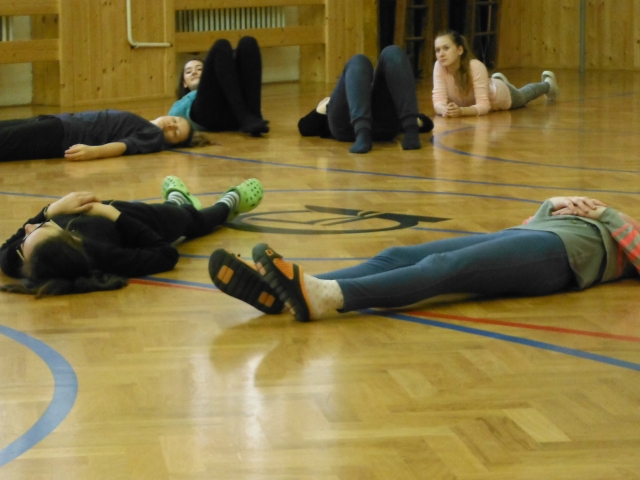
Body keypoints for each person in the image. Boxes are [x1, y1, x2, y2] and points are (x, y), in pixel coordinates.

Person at [209, 196, 640, 322]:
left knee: (443, 270)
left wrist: (606, 214)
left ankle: (331, 297)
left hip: (557, 257)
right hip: (529, 235)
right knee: (397, 254)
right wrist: (553, 204)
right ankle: (283, 292)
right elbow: (529, 222)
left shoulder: (619, 222)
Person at [0, 177, 264, 297]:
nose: (28, 227)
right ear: (73, 241)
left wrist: (50, 211)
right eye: (41, 228)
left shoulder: (20, 258)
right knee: (191, 219)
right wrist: (113, 215)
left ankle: (176, 199)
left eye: (23, 242)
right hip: (133, 219)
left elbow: (5, 248)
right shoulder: (101, 255)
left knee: (176, 208)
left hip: (109, 208)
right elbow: (166, 254)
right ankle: (231, 202)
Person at [297, 45, 434, 154]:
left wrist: (325, 105)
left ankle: (363, 134)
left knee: (374, 57)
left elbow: (305, 127)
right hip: (377, 129)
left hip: (352, 128)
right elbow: (305, 128)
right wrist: (410, 121)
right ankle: (410, 132)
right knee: (366, 59)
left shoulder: (378, 96)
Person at [432, 30, 560, 117]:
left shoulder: (475, 66)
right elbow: (438, 100)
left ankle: (548, 84)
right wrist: (444, 109)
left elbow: (484, 106)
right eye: (437, 50)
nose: (441, 54)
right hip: (488, 88)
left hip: (501, 96)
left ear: (460, 50)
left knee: (524, 95)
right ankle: (498, 81)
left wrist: (461, 111)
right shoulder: (439, 66)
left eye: (446, 48)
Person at [0, 110, 197, 162]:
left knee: (7, 140)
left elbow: (124, 146)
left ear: (172, 144)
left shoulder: (154, 136)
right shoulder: (145, 124)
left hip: (64, 133)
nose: (171, 125)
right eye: (175, 120)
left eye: (176, 132)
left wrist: (93, 152)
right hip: (61, 122)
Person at [169, 36, 269, 137]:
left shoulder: (226, 83)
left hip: (232, 115)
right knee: (221, 45)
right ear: (184, 83)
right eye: (188, 71)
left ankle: (254, 117)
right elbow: (170, 118)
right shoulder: (183, 103)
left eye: (199, 69)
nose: (194, 72)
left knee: (248, 42)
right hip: (207, 117)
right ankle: (245, 117)